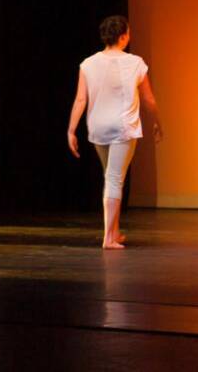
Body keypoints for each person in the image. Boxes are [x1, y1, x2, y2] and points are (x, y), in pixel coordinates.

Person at [66, 15, 163, 250]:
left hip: (98, 126)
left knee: (110, 176)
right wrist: (158, 121)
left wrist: (71, 129)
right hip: (122, 126)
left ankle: (114, 231)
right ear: (123, 36)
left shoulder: (88, 63)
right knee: (114, 178)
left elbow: (81, 99)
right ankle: (109, 237)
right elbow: (149, 98)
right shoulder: (135, 62)